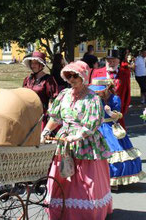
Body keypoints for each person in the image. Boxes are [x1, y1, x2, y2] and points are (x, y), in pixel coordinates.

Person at [41, 61, 113, 220]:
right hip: (65, 140)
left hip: (85, 141)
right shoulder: (63, 95)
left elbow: (93, 123)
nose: (71, 79)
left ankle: (85, 212)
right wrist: (46, 130)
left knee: (84, 178)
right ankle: (61, 209)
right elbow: (55, 117)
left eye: (75, 75)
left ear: (84, 77)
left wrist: (78, 135)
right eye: (69, 75)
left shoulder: (92, 98)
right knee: (63, 173)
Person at [89, 77, 146, 191]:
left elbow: (118, 116)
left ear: (106, 89)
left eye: (98, 90)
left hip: (109, 127)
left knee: (114, 151)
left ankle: (114, 179)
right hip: (97, 126)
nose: (96, 92)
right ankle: (98, 178)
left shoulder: (115, 98)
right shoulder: (94, 98)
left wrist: (109, 112)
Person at [91, 49, 131, 129]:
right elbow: (92, 91)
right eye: (109, 61)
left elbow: (127, 93)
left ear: (118, 61)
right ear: (106, 61)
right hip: (100, 113)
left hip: (117, 111)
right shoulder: (96, 72)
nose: (111, 63)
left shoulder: (125, 73)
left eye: (114, 61)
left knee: (118, 136)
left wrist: (123, 111)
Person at [22, 51, 59, 130]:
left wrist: (51, 115)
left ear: (41, 65)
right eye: (32, 63)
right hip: (28, 114)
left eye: (35, 63)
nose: (33, 65)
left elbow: (52, 99)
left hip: (41, 116)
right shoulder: (28, 79)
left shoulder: (48, 80)